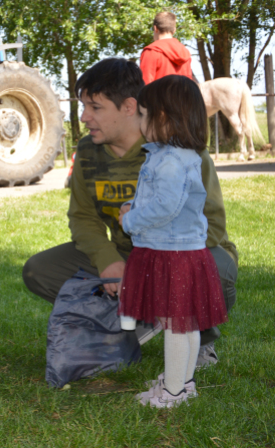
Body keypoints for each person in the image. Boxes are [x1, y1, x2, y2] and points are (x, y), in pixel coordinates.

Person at [22, 58, 237, 366]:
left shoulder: (182, 149)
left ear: (128, 106)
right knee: (38, 270)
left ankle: (198, 337)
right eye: (84, 106)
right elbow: (83, 218)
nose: (84, 117)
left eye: (95, 107)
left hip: (183, 252)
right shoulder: (87, 151)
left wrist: (147, 266)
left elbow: (212, 225)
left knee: (219, 269)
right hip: (123, 255)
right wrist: (108, 261)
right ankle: (127, 321)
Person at [117, 75, 228, 407]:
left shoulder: (169, 161)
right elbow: (164, 201)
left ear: (162, 118)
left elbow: (166, 205)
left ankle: (173, 393)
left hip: (173, 253)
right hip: (182, 250)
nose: (140, 121)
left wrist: (130, 220)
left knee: (175, 324)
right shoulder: (177, 155)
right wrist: (134, 207)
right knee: (185, 322)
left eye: (144, 114)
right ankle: (184, 383)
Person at [140, 11, 194, 85]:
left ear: (155, 28)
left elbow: (145, 84)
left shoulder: (151, 51)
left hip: (158, 96)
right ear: (174, 30)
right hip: (183, 96)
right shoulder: (185, 52)